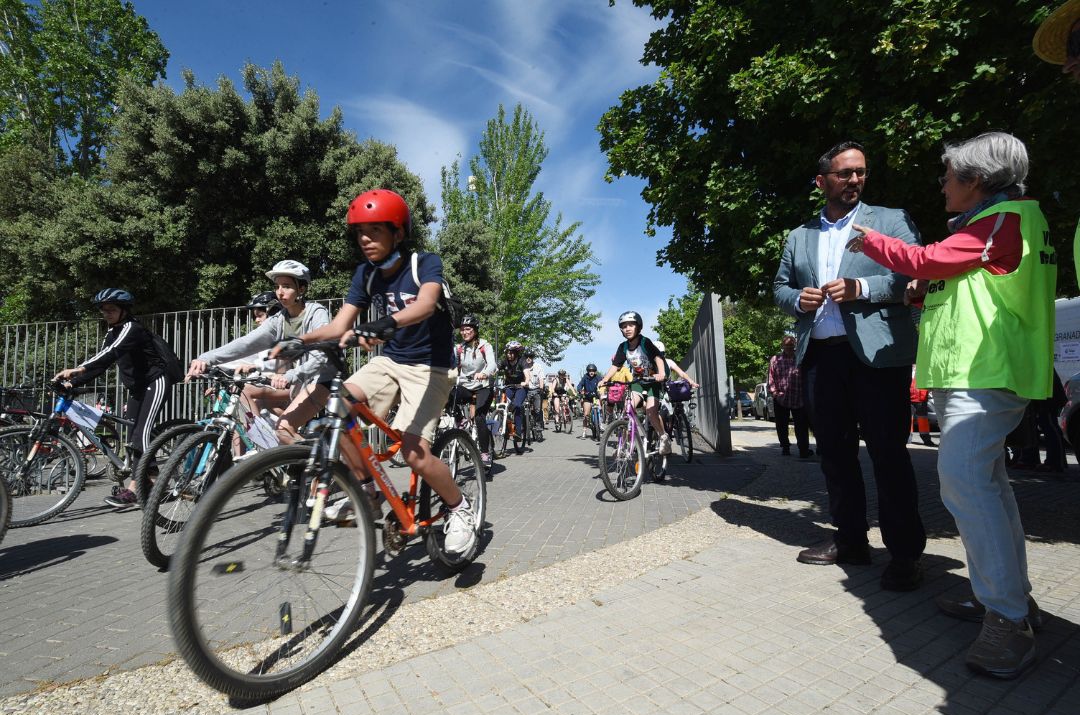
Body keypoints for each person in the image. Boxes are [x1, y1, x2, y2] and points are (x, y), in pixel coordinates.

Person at [847, 131, 1054, 678]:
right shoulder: (997, 223)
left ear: (977, 180)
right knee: (988, 487)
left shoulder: (1004, 219)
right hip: (976, 373)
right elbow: (954, 279)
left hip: (985, 373)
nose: (942, 184)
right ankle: (1007, 601)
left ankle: (1009, 622)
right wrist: (920, 291)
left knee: (964, 484)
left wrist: (869, 241)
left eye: (949, 176)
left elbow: (930, 260)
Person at [284, 188, 478, 554]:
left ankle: (460, 509)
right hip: (391, 361)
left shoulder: (424, 263)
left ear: (398, 233)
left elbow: (425, 304)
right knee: (336, 407)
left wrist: (383, 324)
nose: (365, 239)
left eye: (374, 231)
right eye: (359, 232)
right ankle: (368, 492)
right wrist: (300, 341)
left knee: (413, 453)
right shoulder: (365, 274)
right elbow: (340, 324)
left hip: (432, 366)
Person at [772, 140, 926, 592]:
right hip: (822, 357)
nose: (855, 179)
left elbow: (915, 273)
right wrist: (796, 299)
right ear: (822, 182)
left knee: (888, 454)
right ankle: (851, 542)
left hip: (877, 356)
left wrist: (862, 287)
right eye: (845, 173)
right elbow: (780, 286)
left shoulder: (891, 220)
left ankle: (904, 555)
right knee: (835, 456)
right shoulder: (799, 236)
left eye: (861, 171)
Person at [187, 260, 334, 443]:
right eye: (277, 286)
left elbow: (321, 357)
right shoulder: (279, 320)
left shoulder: (316, 313)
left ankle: (313, 468)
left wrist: (290, 376)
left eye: (286, 286)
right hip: (300, 383)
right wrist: (206, 358)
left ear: (302, 289)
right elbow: (246, 343)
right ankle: (273, 457)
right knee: (256, 407)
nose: (280, 292)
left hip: (324, 381)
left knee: (283, 431)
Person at [53, 289, 176, 507]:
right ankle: (157, 481)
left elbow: (110, 354)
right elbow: (102, 363)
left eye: (111, 309)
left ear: (124, 310)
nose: (106, 313)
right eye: (103, 310)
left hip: (155, 382)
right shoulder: (112, 333)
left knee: (141, 435)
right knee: (133, 437)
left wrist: (78, 369)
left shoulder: (132, 328)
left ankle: (135, 488)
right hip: (137, 388)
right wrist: (73, 382)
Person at [598, 311, 671, 456]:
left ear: (638, 327)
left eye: (631, 325)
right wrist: (605, 379)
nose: (627, 329)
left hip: (653, 381)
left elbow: (658, 358)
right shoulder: (623, 347)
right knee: (627, 408)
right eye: (624, 326)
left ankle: (663, 437)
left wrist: (661, 374)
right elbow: (616, 365)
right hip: (638, 381)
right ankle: (624, 445)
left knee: (651, 412)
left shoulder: (645, 342)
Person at [454, 315, 497, 468]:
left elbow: (492, 364)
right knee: (445, 392)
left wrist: (484, 373)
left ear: (475, 330)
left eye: (468, 329)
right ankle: (461, 420)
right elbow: (451, 365)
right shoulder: (459, 348)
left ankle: (485, 454)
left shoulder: (485, 346)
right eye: (462, 330)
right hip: (466, 385)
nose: (464, 332)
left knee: (479, 417)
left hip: (483, 386)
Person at [768, 335, 812, 458]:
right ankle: (785, 447)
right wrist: (775, 394)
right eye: (787, 345)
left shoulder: (801, 357)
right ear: (782, 346)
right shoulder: (775, 359)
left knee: (802, 426)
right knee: (781, 425)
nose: (789, 347)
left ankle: (803, 449)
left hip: (799, 397)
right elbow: (771, 378)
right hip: (781, 397)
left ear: (795, 346)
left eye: (791, 345)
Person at [497, 341, 531, 454]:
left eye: (511, 353)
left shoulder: (522, 361)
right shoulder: (504, 361)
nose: (509, 355)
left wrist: (525, 382)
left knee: (517, 405)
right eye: (507, 352)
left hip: (521, 387)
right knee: (501, 404)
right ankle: (503, 423)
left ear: (516, 353)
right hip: (509, 387)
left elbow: (527, 374)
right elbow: (495, 369)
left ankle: (518, 433)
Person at [908, 368, 935, 447]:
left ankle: (926, 439)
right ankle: (907, 438)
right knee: (908, 419)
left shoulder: (923, 370)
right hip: (910, 398)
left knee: (923, 420)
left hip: (921, 398)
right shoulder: (908, 370)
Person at [576, 364, 602, 438]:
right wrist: (580, 390)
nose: (591, 372)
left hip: (595, 397)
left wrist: (602, 388)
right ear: (588, 371)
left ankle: (600, 424)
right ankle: (584, 431)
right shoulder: (585, 377)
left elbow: (602, 382)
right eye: (590, 371)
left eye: (593, 371)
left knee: (599, 409)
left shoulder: (598, 377)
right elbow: (579, 385)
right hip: (587, 398)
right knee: (586, 414)